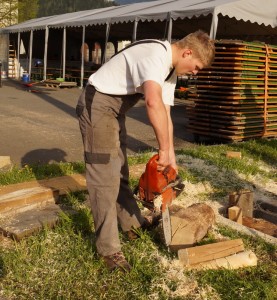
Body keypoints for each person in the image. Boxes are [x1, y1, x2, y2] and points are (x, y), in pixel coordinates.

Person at [76, 30, 215, 273]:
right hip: (97, 105)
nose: (195, 73)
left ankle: (132, 225)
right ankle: (108, 250)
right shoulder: (156, 56)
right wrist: (161, 148)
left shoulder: (171, 71)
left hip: (114, 110)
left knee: (119, 171)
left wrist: (170, 156)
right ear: (187, 52)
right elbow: (152, 102)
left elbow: (166, 113)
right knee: (104, 178)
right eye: (196, 67)